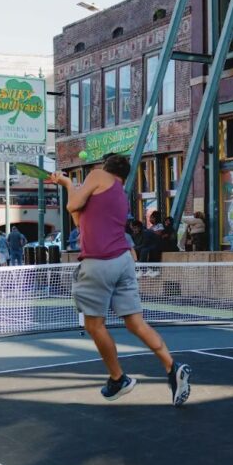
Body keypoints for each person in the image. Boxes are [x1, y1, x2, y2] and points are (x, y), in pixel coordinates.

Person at [46, 154, 191, 406]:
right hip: (123, 261)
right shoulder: (120, 196)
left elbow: (71, 205)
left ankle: (118, 378)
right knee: (135, 323)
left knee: (94, 325)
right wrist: (72, 189)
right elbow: (80, 219)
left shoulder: (98, 175)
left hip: (99, 262)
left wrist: (68, 185)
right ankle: (172, 366)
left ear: (106, 169)